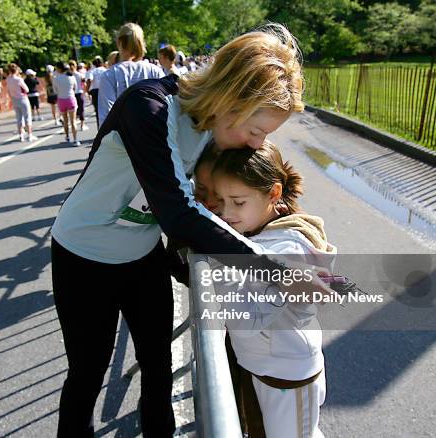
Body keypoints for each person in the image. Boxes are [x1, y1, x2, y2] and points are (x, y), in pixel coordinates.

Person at [50, 23, 334, 438]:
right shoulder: (150, 107)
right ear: (231, 98)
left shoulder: (215, 130)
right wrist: (279, 271)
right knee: (88, 373)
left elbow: (225, 198)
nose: (257, 144)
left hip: (141, 257)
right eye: (257, 131)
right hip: (83, 256)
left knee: (159, 368)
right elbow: (178, 212)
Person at [211, 141, 335, 438]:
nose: (226, 212)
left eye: (238, 202)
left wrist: (216, 256)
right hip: (266, 366)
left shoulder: (286, 247)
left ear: (274, 193)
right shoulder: (257, 234)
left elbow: (245, 317)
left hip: (287, 374)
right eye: (221, 200)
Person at [98, 23, 164, 124]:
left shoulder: (109, 76)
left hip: (123, 137)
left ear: (119, 42)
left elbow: (107, 117)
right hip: (155, 134)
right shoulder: (155, 71)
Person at [6, 63, 37, 142]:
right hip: (22, 98)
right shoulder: (18, 79)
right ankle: (30, 135)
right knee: (27, 117)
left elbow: (8, 91)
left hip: (14, 99)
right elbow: (27, 89)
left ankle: (21, 135)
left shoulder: (8, 79)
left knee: (19, 118)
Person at [52, 61, 80, 146]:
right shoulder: (71, 77)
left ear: (60, 69)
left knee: (65, 120)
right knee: (73, 121)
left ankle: (67, 136)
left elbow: (55, 90)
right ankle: (75, 140)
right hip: (71, 99)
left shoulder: (55, 78)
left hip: (61, 100)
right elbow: (75, 89)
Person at [85, 56, 107, 128]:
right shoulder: (105, 70)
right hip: (104, 89)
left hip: (95, 91)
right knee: (107, 109)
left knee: (98, 111)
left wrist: (87, 90)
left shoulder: (92, 71)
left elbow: (89, 80)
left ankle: (100, 128)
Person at [69, 60, 88, 132]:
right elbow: (84, 84)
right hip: (79, 93)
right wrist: (85, 92)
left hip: (72, 94)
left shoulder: (68, 75)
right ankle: (82, 125)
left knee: (74, 111)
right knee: (81, 109)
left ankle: (74, 125)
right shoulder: (80, 75)